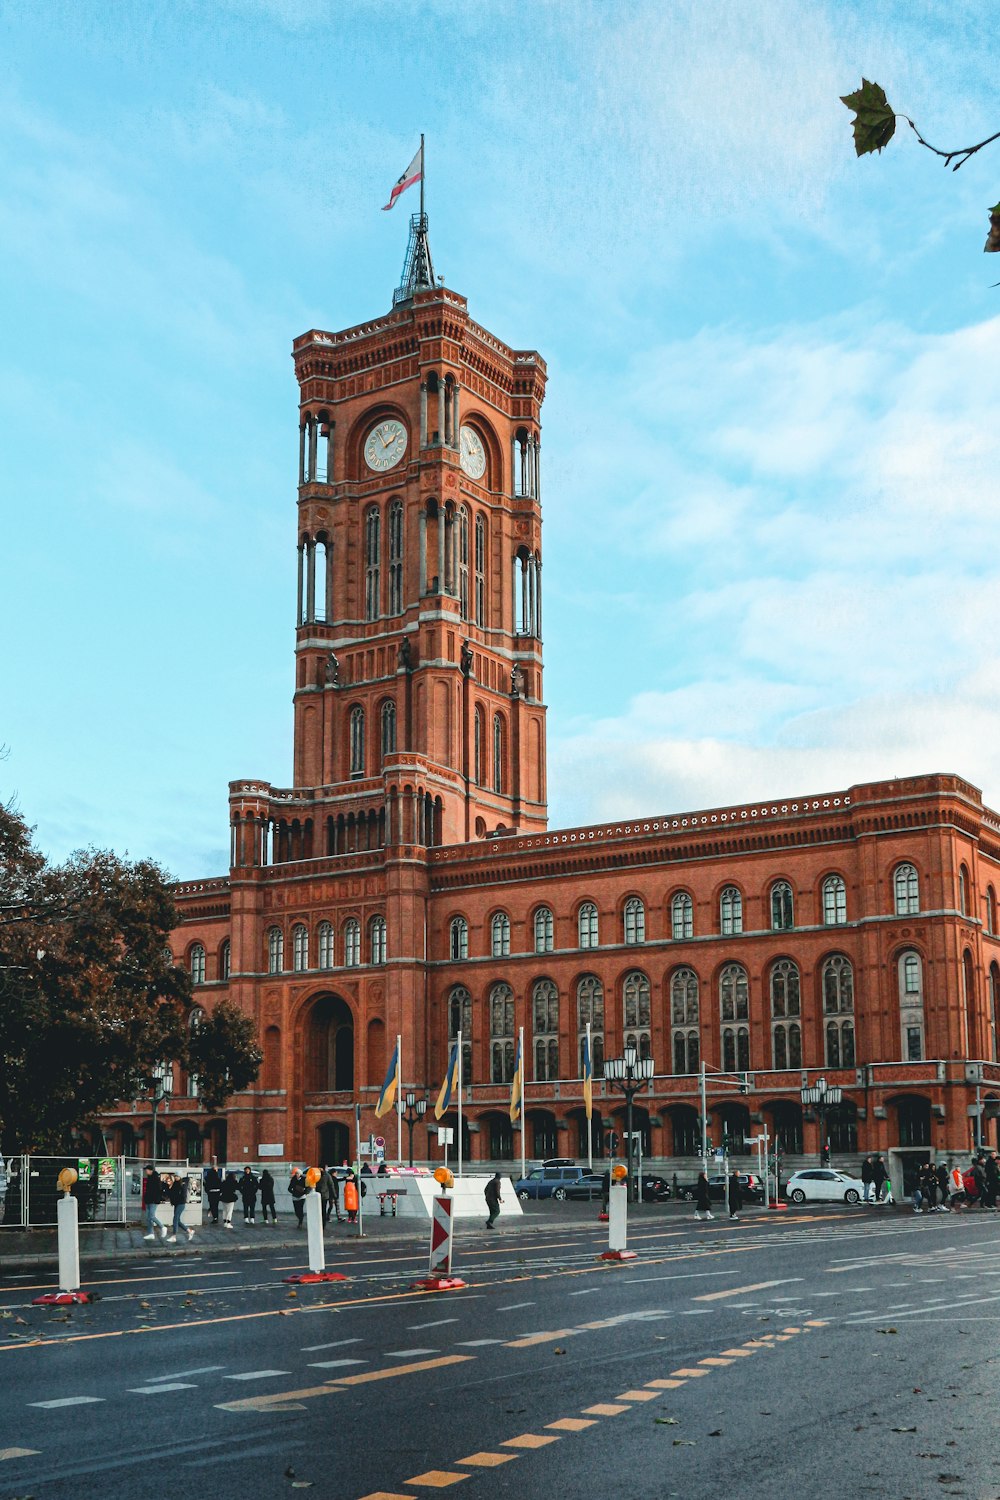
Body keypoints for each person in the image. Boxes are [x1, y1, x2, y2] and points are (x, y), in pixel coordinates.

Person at [166, 1171, 193, 1243]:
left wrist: (176, 1198)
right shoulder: (175, 1183)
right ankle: (189, 1231)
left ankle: (174, 1236)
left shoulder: (183, 1184)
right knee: (177, 1221)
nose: (175, 1177)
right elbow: (171, 1193)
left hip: (181, 1204)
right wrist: (168, 1187)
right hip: (176, 1204)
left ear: (180, 1176)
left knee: (175, 1219)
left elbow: (183, 1195)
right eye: (175, 1176)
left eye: (177, 1176)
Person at [142, 1165, 166, 1241]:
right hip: (149, 1200)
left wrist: (155, 1199)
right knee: (148, 1218)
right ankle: (151, 1233)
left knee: (151, 1216)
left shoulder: (155, 1178)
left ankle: (162, 1227)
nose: (146, 1171)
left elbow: (158, 1190)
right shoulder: (150, 1177)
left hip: (153, 1200)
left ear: (150, 1170)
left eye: (147, 1170)